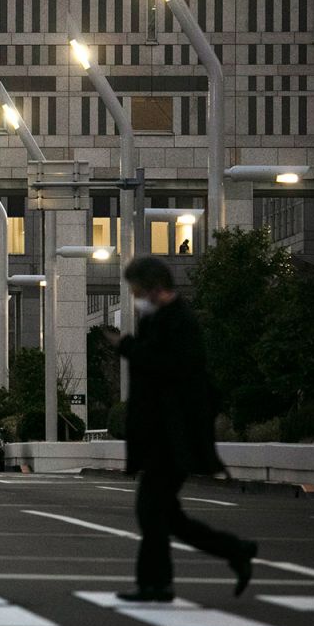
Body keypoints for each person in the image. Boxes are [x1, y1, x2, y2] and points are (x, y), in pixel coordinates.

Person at [103, 256, 256, 603]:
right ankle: (234, 551)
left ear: (155, 287)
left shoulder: (179, 322)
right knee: (166, 515)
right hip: (162, 433)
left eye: (138, 289)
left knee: (151, 510)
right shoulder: (157, 319)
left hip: (174, 435)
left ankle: (156, 584)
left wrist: (125, 347)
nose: (136, 295)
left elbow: (170, 368)